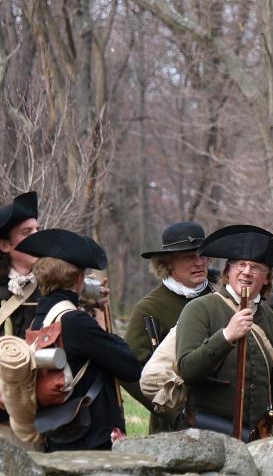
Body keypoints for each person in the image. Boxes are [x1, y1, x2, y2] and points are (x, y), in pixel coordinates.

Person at [11, 229, 141, 451]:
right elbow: (130, 367)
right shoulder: (75, 321)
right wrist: (101, 323)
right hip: (92, 440)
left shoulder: (38, 320)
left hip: (58, 435)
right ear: (79, 278)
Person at [175, 225, 273, 440]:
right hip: (204, 435)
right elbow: (187, 370)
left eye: (256, 267)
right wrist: (226, 336)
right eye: (240, 264)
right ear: (228, 271)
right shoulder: (199, 309)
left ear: (267, 278)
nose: (247, 271)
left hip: (255, 439)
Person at [122, 221, 214, 433]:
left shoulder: (220, 298)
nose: (199, 262)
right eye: (189, 257)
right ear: (167, 263)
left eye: (203, 255)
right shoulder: (149, 309)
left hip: (223, 418)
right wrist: (173, 412)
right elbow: (129, 371)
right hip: (173, 428)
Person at [0, 192, 40, 445]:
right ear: (5, 245)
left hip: (45, 412)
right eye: (27, 232)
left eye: (38, 229)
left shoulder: (54, 286)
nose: (37, 236)